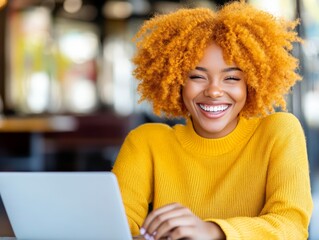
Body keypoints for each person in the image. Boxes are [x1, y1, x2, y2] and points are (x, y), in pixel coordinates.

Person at [112, 1, 313, 239]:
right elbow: (113, 226)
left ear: (251, 84)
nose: (214, 91)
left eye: (231, 78)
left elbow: (292, 226)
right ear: (177, 81)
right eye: (197, 76)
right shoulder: (146, 142)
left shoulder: (279, 131)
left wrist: (213, 231)